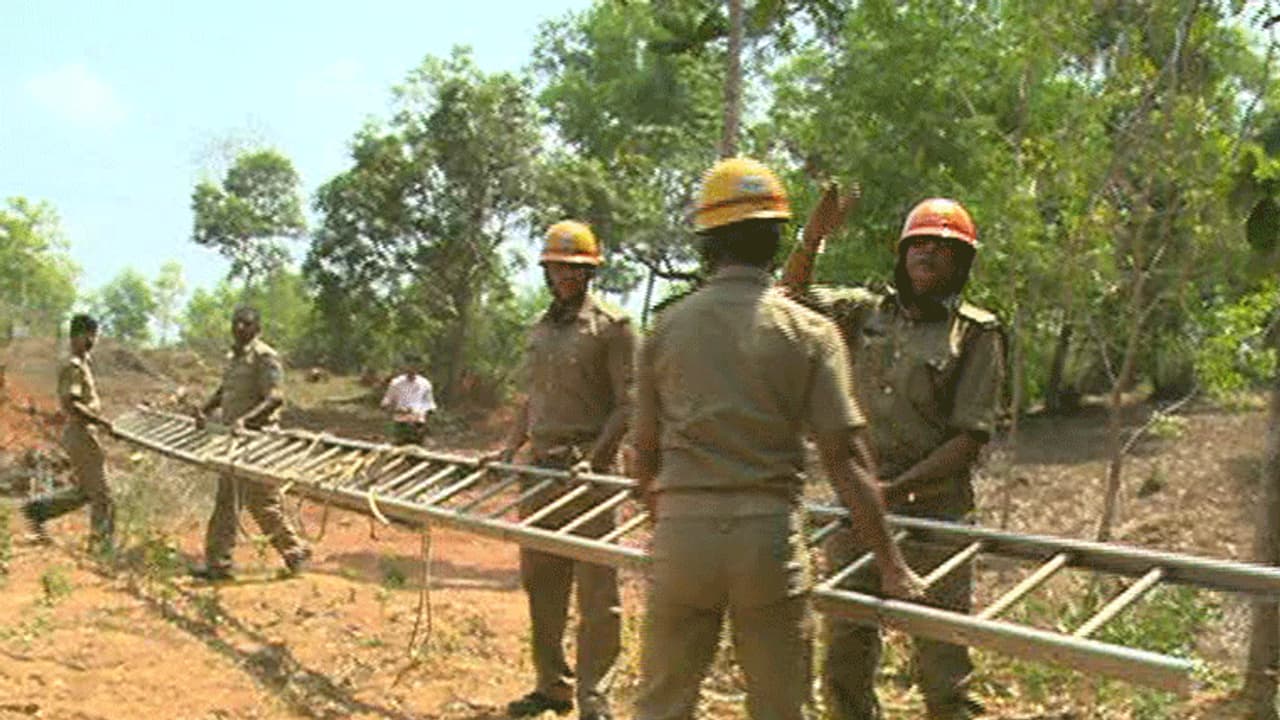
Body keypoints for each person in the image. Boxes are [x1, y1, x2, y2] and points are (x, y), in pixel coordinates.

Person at [631, 157, 922, 720]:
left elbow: (642, 454)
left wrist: (667, 520)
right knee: (780, 705)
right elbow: (847, 460)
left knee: (662, 703)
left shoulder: (666, 328)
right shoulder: (810, 331)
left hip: (683, 535)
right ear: (774, 239)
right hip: (766, 541)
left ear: (707, 242)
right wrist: (892, 564)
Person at [809, 198, 1005, 720]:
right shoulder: (863, 311)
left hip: (935, 514)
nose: (927, 255)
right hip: (858, 511)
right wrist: (811, 239)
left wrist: (891, 494)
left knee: (942, 664)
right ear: (902, 254)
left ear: (960, 263)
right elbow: (791, 295)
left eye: (943, 249)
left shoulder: (977, 333)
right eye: (918, 244)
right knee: (844, 657)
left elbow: (969, 437)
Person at [487, 220, 635, 720]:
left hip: (589, 477)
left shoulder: (613, 328)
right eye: (558, 267)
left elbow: (628, 402)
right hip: (541, 474)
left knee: (598, 595)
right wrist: (509, 449)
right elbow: (533, 400)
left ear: (591, 271)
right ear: (547, 270)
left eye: (576, 268)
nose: (567, 275)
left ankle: (596, 700)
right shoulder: (540, 329)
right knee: (542, 583)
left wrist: (595, 461)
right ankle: (553, 687)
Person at [189, 307, 310, 581]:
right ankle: (295, 552)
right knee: (262, 502)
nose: (240, 328)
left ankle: (218, 563)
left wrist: (245, 421)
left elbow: (275, 397)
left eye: (246, 324)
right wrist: (205, 409)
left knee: (228, 500)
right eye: (236, 323)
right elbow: (225, 391)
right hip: (236, 438)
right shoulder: (233, 358)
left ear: (257, 328)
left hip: (256, 439)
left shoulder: (265, 356)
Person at [23, 314, 116, 552]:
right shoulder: (73, 367)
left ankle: (38, 509)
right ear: (77, 336)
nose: (93, 341)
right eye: (89, 336)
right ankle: (100, 548)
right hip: (81, 432)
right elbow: (72, 404)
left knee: (87, 492)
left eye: (95, 336)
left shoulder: (82, 364)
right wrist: (102, 422)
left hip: (84, 432)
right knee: (103, 495)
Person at [381, 355, 436, 445]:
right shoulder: (396, 383)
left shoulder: (425, 384)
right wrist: (398, 410)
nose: (412, 368)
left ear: (420, 367)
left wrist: (422, 415)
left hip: (418, 424)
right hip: (401, 424)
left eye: (415, 365)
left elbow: (430, 406)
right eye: (409, 365)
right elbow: (385, 404)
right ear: (405, 366)